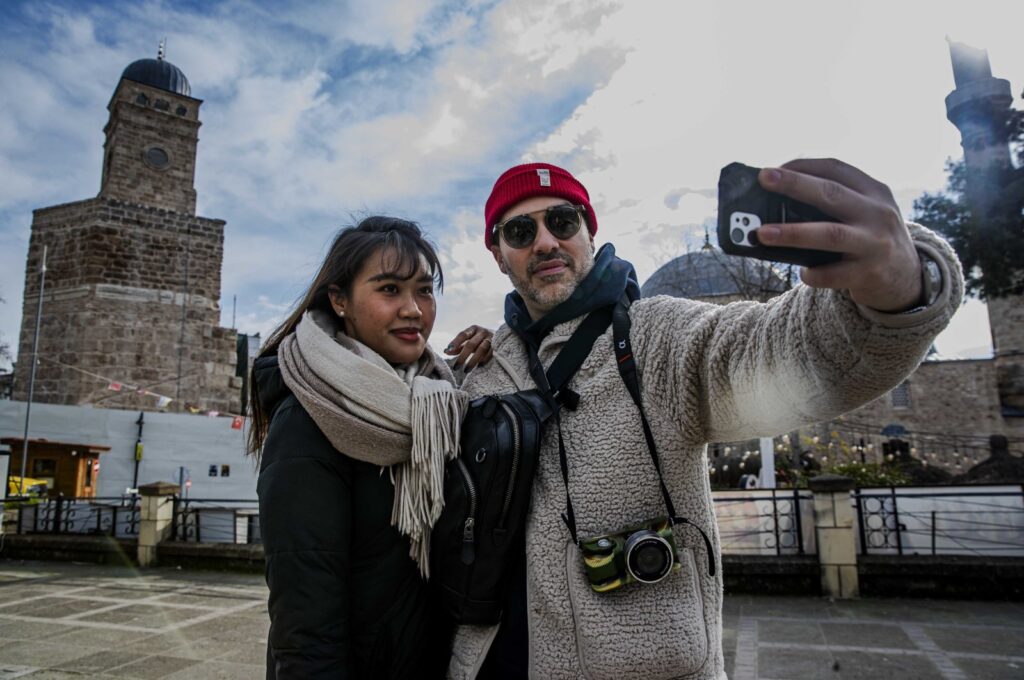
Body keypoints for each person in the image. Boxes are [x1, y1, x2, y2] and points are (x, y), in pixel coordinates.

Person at [447, 160, 964, 679]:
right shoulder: (482, 370)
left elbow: (784, 348)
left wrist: (898, 285)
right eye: (520, 231)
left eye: (561, 222)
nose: (544, 242)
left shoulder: (658, 339)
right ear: (497, 254)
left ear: (587, 230)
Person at [249, 216, 492, 679]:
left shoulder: (435, 396)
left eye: (424, 290)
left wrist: (501, 353)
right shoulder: (309, 416)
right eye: (389, 290)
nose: (414, 310)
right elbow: (305, 619)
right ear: (340, 300)